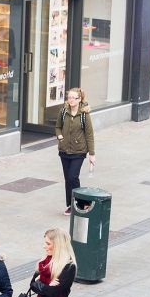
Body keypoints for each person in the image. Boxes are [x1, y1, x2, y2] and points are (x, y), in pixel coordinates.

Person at [55, 88, 95, 216]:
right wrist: (60, 137)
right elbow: (58, 127)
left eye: (74, 98)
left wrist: (92, 154)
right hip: (64, 150)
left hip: (79, 151)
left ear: (79, 99)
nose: (71, 100)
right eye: (69, 97)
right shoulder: (63, 111)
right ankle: (70, 205)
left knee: (73, 177)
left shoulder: (84, 115)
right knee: (68, 179)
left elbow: (89, 135)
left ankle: (80, 204)